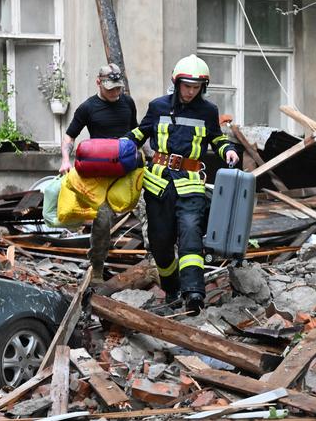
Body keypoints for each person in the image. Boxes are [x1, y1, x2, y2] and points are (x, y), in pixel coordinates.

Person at [124, 54, 239, 316]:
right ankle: (172, 287)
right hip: (158, 183)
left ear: (203, 87)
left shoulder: (208, 111)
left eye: (196, 87)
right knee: (161, 243)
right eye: (186, 86)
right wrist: (119, 146)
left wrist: (228, 150)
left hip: (190, 185)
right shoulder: (158, 106)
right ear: (177, 83)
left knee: (190, 236)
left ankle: (194, 293)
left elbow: (217, 140)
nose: (190, 91)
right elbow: (141, 133)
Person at [59, 63, 138, 282]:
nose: (116, 93)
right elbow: (69, 136)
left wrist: (149, 156)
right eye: (111, 88)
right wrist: (66, 160)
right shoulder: (88, 108)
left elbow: (136, 132)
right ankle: (97, 268)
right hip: (101, 175)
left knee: (150, 210)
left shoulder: (128, 103)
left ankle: (156, 262)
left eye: (118, 88)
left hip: (128, 172)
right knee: (102, 221)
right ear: (98, 83)